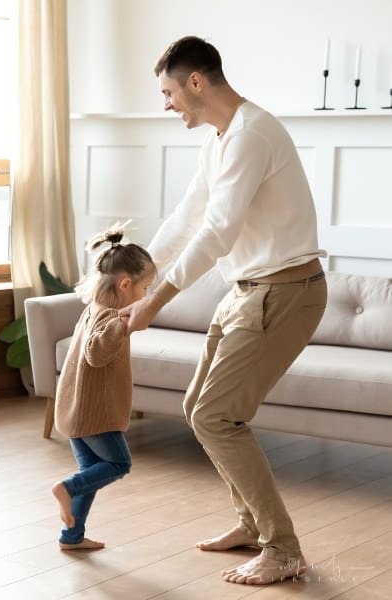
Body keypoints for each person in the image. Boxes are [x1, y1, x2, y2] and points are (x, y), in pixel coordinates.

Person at [119, 36, 328, 585]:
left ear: (195, 82)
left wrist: (155, 302)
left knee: (216, 416)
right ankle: (253, 526)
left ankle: (283, 549)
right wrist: (138, 275)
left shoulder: (252, 134)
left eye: (168, 93)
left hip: (285, 292)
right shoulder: (218, 139)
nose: (167, 105)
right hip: (247, 290)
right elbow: (189, 215)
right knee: (199, 407)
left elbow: (217, 231)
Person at [51, 225, 155, 552]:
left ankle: (72, 536)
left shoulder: (94, 308)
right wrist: (122, 325)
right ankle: (67, 488)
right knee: (118, 464)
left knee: (91, 474)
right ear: (125, 285)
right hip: (95, 414)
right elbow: (95, 353)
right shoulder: (111, 317)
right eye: (145, 288)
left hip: (75, 409)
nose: (146, 296)